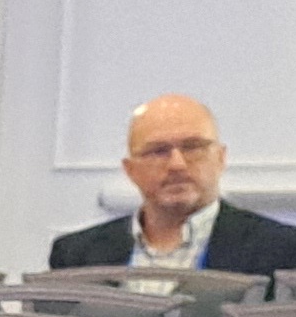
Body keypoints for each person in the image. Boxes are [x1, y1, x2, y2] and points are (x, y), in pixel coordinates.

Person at [48, 94, 296, 275]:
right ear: (131, 170)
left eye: (192, 147)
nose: (177, 164)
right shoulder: (75, 256)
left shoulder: (282, 251)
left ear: (220, 158)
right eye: (158, 151)